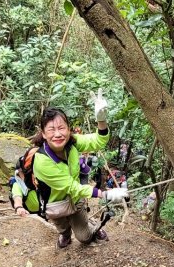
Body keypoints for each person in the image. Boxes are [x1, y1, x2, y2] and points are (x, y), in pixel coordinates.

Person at [32, 90, 128, 248]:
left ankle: (90, 225)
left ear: (68, 129)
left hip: (76, 200)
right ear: (43, 134)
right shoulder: (41, 161)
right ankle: (64, 233)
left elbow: (98, 141)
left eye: (62, 128)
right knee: (62, 227)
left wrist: (102, 121)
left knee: (84, 238)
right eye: (51, 130)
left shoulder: (73, 143)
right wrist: (104, 194)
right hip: (54, 203)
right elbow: (71, 186)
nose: (57, 134)